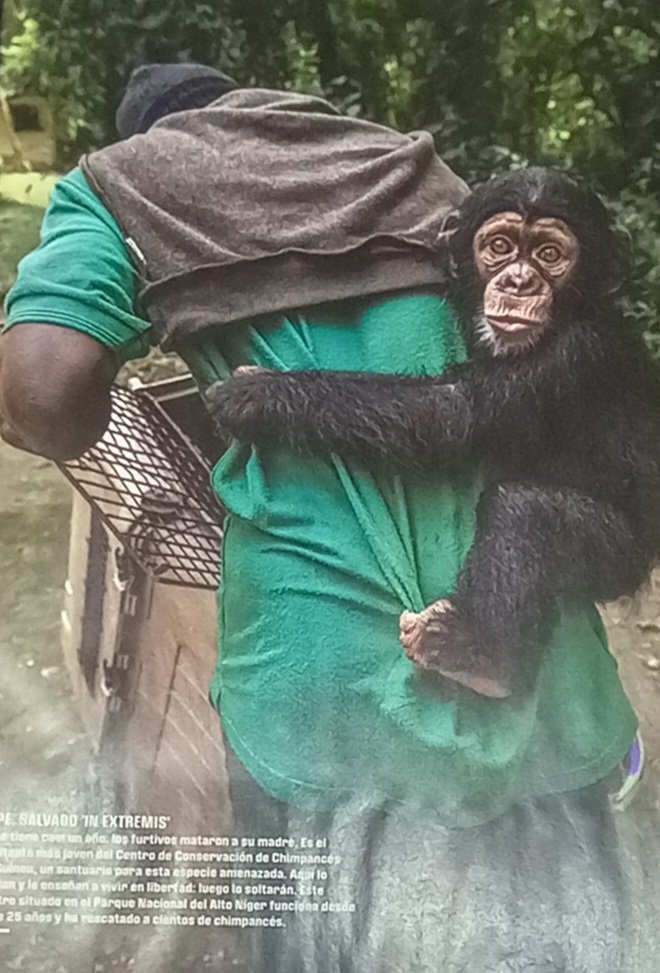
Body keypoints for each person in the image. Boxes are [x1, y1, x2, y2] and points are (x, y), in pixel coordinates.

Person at [0, 63, 650, 972]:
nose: (516, 277)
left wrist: (259, 387)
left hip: (328, 678)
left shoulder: (119, 185)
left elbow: (42, 395)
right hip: (554, 676)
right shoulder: (408, 165)